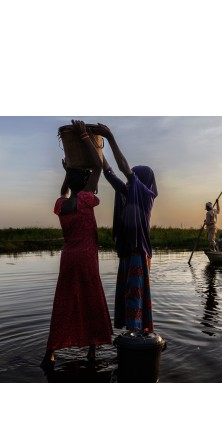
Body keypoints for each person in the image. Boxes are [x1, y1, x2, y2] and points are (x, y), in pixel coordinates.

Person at [41, 120, 113, 370]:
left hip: (68, 258)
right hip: (85, 258)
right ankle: (92, 350)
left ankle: (50, 352)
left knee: (64, 302)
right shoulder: (85, 199)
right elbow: (97, 166)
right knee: (91, 300)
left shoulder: (62, 205)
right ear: (83, 184)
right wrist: (84, 136)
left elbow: (65, 189)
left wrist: (67, 170)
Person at [95, 123, 158, 333]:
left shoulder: (146, 195)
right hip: (128, 251)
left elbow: (123, 169)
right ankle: (132, 334)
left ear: (142, 181)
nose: (131, 179)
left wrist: (110, 137)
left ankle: (137, 335)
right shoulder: (128, 191)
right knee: (128, 294)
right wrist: (97, 148)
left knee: (135, 296)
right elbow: (110, 173)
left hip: (139, 253)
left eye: (135, 177)